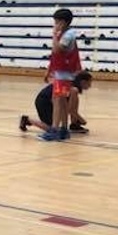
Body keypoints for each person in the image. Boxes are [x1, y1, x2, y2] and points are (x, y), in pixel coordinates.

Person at [39, 8, 83, 141]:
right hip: (60, 73)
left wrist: (53, 35)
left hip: (65, 74)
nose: (55, 25)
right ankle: (64, 129)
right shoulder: (64, 34)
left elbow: (57, 49)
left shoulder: (68, 35)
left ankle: (54, 130)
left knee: (58, 101)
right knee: (61, 101)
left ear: (63, 22)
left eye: (57, 22)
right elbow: (54, 56)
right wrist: (49, 71)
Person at [20, 70, 93, 134]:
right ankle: (27, 120)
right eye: (89, 83)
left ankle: (74, 125)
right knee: (52, 129)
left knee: (74, 101)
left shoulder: (73, 87)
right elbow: (71, 110)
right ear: (83, 82)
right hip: (44, 102)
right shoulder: (73, 89)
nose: (90, 86)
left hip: (51, 101)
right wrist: (82, 120)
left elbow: (72, 107)